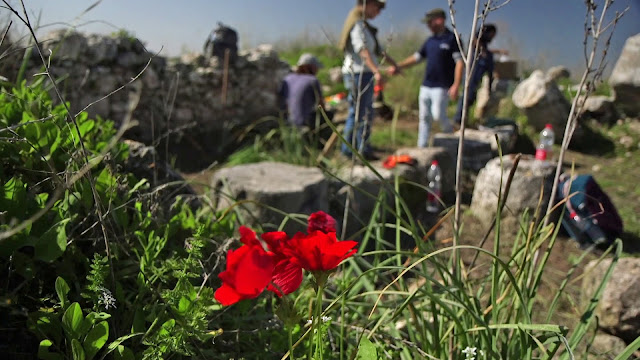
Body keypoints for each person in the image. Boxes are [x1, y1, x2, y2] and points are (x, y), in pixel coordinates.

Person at [393, 8, 463, 148]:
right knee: (424, 117)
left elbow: (460, 62)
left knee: (438, 115)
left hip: (442, 87)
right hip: (426, 86)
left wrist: (456, 84)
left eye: (429, 22)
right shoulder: (430, 41)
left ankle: (450, 138)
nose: (428, 26)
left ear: (439, 20)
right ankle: (422, 146)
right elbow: (417, 58)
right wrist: (398, 66)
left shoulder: (452, 39)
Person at [339, 0, 398, 160]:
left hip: (364, 73)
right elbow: (362, 50)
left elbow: (376, 51)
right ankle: (354, 150)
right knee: (359, 113)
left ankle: (357, 147)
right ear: (367, 4)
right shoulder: (357, 25)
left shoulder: (365, 26)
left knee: (364, 112)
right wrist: (376, 70)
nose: (378, 12)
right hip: (358, 74)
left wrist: (394, 64)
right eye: (377, 7)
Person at [453, 24, 498, 125]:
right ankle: (458, 120)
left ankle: (463, 120)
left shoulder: (485, 47)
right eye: (492, 35)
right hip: (473, 72)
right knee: (466, 95)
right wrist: (482, 51)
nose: (492, 37)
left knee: (470, 97)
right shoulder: (477, 41)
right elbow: (473, 38)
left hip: (477, 74)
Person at [278, 53, 325, 129]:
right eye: (316, 68)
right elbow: (321, 106)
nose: (317, 71)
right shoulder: (313, 80)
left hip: (287, 123)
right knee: (328, 114)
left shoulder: (287, 79)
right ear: (309, 67)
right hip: (304, 124)